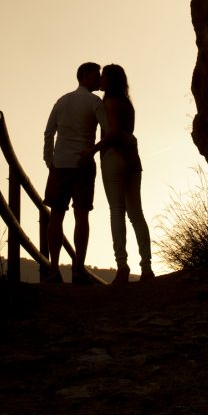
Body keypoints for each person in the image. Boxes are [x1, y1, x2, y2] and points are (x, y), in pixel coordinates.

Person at [89, 63, 153, 285]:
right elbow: (127, 132)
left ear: (110, 80)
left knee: (116, 210)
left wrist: (92, 149)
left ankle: (122, 267)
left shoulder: (110, 103)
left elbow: (114, 132)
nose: (101, 80)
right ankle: (146, 267)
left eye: (104, 77)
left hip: (114, 156)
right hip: (133, 157)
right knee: (137, 213)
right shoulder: (127, 104)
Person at [42, 61, 102, 284]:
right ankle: (78, 269)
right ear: (85, 76)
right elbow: (106, 130)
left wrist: (50, 160)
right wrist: (93, 150)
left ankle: (53, 269)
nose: (99, 80)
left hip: (60, 164)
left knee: (56, 217)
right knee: (82, 216)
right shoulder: (95, 102)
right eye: (96, 76)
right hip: (83, 165)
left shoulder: (62, 101)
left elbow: (49, 132)